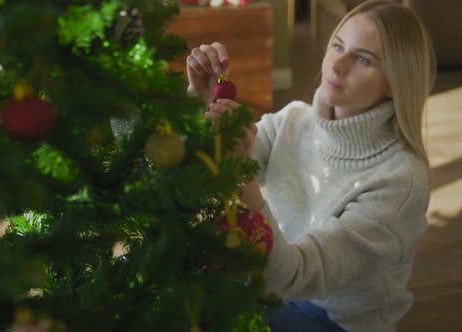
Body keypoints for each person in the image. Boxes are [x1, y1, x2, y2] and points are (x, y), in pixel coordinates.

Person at [185, 0, 436, 331]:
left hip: (333, 319)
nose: (337, 65)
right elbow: (203, 175)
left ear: (395, 81)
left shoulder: (400, 182)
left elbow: (293, 276)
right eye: (337, 45)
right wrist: (200, 102)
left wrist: (241, 172)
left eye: (363, 59)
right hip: (272, 283)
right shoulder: (294, 119)